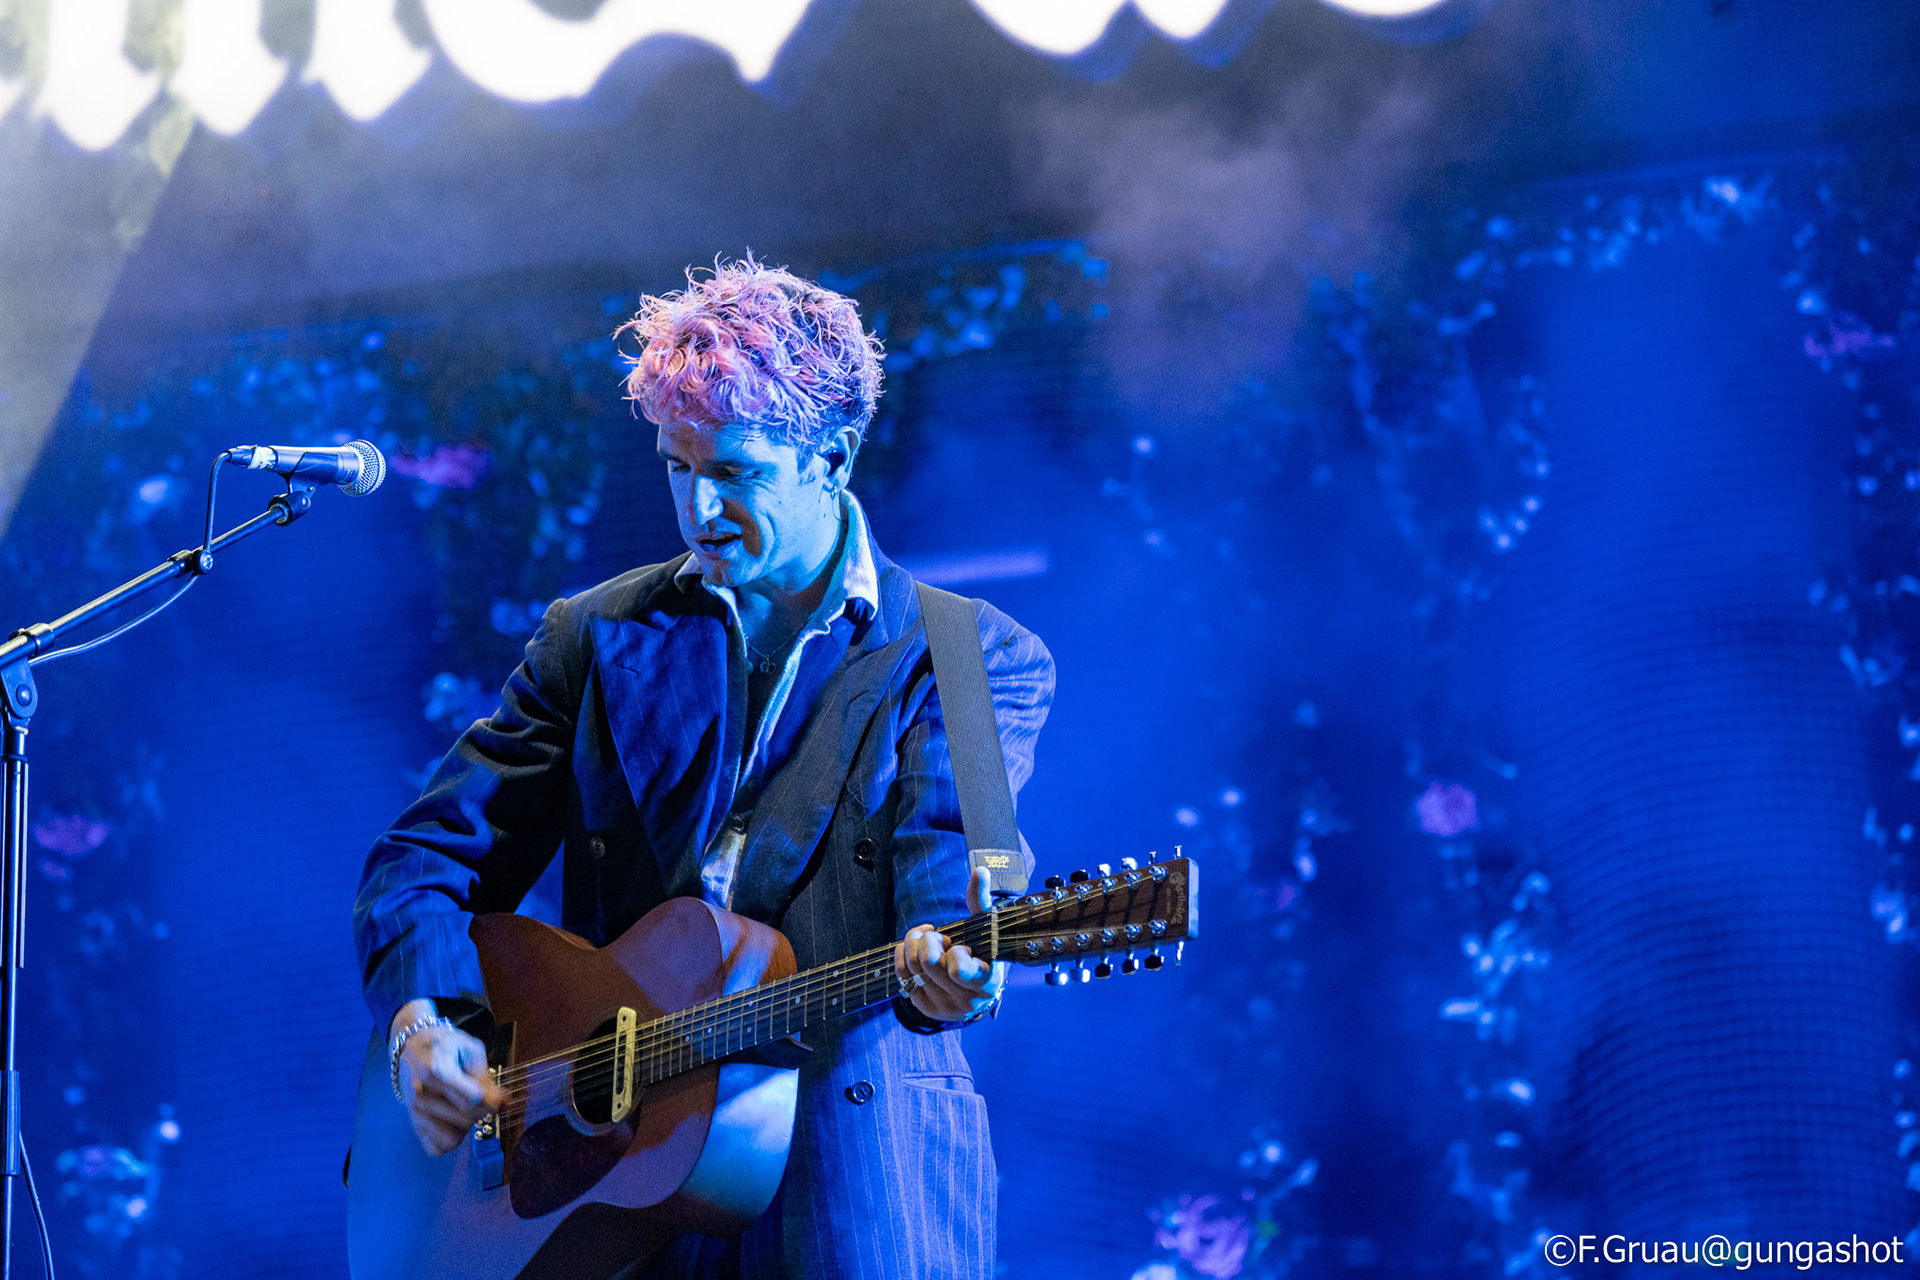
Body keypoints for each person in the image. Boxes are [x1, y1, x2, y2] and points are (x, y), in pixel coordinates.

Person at [351, 257, 1054, 1279]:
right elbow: (424, 858)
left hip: (854, 1187)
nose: (700, 507)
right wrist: (429, 1020)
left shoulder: (967, 653)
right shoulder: (594, 634)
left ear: (832, 456)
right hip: (610, 1197)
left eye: (736, 472)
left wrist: (959, 973)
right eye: (678, 467)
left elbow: (953, 885)